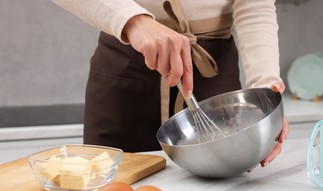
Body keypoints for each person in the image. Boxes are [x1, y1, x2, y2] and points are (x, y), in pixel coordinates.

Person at [51, 0, 289, 167]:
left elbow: (255, 6)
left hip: (212, 76)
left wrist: (265, 88)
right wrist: (132, 21)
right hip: (125, 69)